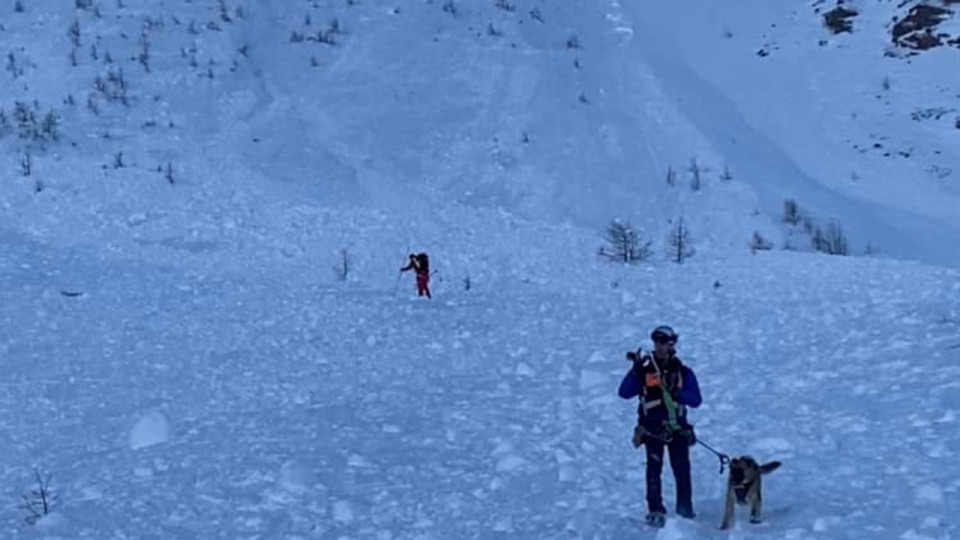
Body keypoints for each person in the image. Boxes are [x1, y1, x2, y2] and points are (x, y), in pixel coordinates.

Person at [618, 325, 702, 527]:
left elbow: (696, 399)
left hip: (677, 428)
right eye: (659, 342)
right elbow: (624, 392)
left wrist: (677, 393)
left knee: (681, 469)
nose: (662, 347)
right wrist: (635, 371)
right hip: (652, 429)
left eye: (666, 343)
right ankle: (655, 509)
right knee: (653, 470)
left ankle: (685, 509)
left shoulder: (682, 372)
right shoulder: (645, 370)